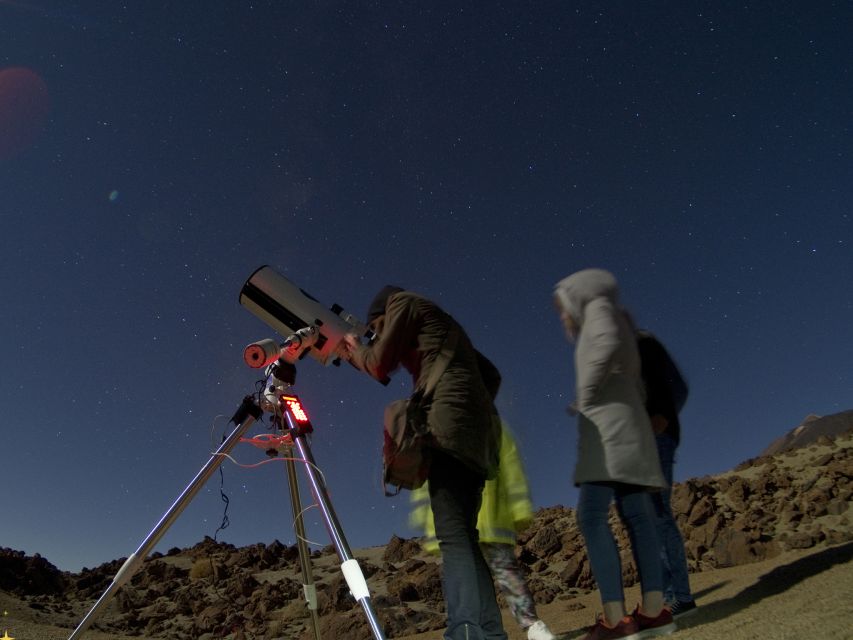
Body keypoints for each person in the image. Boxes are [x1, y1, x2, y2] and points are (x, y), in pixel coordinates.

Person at [340, 285, 507, 640]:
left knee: (452, 537)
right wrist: (464, 401)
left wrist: (357, 348)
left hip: (447, 434)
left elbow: (378, 362)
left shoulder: (403, 303)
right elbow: (491, 375)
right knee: (463, 535)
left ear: (382, 315)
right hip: (477, 439)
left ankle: (462, 631)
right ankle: (491, 633)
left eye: (378, 328)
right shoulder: (446, 329)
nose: (380, 334)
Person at [552, 269, 676, 640]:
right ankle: (654, 613)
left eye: (562, 307)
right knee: (638, 514)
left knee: (591, 515)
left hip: (608, 430)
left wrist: (585, 397)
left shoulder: (599, 314)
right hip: (630, 425)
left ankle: (615, 619)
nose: (562, 316)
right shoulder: (619, 318)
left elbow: (603, 345)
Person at [410, 423, 557, 640]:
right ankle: (494, 632)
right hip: (477, 521)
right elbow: (426, 487)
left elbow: (511, 469)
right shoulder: (485, 426)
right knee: (477, 579)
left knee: (493, 575)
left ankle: (531, 625)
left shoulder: (485, 430)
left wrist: (519, 509)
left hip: (488, 521)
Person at [635, 329, 698, 618]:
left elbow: (669, 388)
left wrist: (659, 417)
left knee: (657, 516)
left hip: (654, 437)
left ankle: (679, 597)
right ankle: (667, 598)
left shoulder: (640, 343)